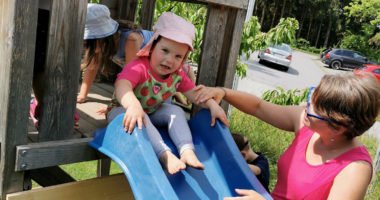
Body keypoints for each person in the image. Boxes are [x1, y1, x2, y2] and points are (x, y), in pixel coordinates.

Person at [195, 73, 380, 199]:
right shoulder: (308, 123)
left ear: (338, 127)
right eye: (310, 99)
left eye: (314, 108)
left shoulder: (355, 169)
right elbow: (259, 107)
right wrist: (224, 92)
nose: (305, 107)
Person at [108, 12, 229, 175]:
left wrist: (213, 105)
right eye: (165, 50)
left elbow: (194, 94)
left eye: (178, 56)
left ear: (183, 59)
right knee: (142, 116)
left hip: (150, 112)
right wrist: (133, 105)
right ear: (152, 47)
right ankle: (165, 155)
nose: (170, 60)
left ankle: (186, 150)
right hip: (121, 112)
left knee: (175, 110)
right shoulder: (139, 66)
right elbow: (122, 85)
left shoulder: (177, 75)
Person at [78, 3, 154, 103]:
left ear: (106, 37)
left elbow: (130, 76)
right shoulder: (99, 44)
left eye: (91, 41)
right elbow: (91, 67)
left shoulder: (131, 40)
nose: (88, 45)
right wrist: (82, 96)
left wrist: (115, 103)